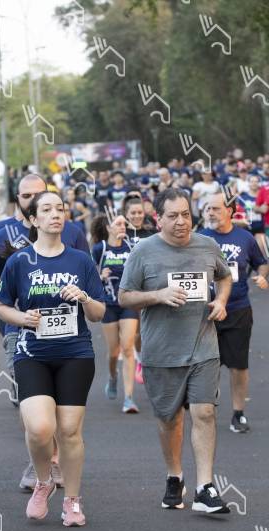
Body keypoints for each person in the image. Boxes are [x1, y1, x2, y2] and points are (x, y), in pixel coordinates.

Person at [0, 190, 105, 526]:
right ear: (33, 219)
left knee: (69, 431)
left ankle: (72, 500)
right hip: (33, 355)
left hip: (75, 354)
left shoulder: (80, 260)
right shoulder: (19, 262)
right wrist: (22, 318)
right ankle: (44, 482)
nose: (55, 214)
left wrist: (84, 297)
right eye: (46, 209)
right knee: (40, 428)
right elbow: (0, 306)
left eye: (60, 208)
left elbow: (98, 313)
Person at [119, 188, 232, 514]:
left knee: (204, 412)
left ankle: (205, 487)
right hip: (161, 351)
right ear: (158, 219)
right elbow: (124, 296)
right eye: (173, 216)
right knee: (169, 420)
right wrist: (158, 295)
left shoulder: (207, 245)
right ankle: (174, 475)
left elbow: (225, 277)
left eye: (185, 214)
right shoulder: (143, 251)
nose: (181, 221)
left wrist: (221, 301)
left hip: (203, 346)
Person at [0, 174, 90, 492]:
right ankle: (40, 457)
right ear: (20, 201)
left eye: (39, 194)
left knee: (62, 410)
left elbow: (87, 276)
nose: (34, 199)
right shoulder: (4, 232)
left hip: (70, 339)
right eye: (27, 195)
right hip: (21, 331)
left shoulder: (72, 232)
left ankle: (55, 460)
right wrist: (18, 304)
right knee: (30, 404)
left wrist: (81, 296)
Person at [201, 193, 269, 432]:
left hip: (238, 309)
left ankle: (238, 413)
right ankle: (204, 409)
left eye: (216, 208)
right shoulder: (199, 237)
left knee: (239, 366)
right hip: (205, 311)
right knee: (205, 365)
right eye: (208, 209)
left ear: (230, 211)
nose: (211, 213)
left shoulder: (245, 237)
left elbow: (261, 262)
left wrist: (262, 276)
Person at [91, 214, 139, 413]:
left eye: (124, 223)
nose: (122, 226)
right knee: (113, 352)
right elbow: (88, 276)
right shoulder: (100, 249)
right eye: (118, 223)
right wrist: (100, 276)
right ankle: (112, 377)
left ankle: (129, 398)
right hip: (108, 305)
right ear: (108, 228)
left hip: (128, 302)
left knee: (127, 348)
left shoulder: (131, 247)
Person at [122, 195, 157, 384]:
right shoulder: (121, 233)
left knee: (149, 329)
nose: (136, 216)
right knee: (136, 333)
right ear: (126, 214)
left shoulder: (151, 233)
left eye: (139, 212)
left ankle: (149, 360)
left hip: (149, 286)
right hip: (129, 289)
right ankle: (140, 358)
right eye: (133, 213)